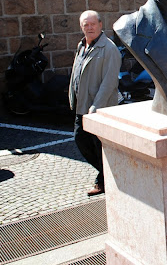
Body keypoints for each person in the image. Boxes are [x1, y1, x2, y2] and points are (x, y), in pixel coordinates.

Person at [69, 10, 121, 196]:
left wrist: (95, 107)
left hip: (98, 109)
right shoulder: (81, 46)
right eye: (86, 25)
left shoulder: (109, 49)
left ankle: (106, 178)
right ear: (81, 27)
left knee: (98, 146)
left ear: (100, 25)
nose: (89, 27)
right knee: (81, 140)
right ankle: (108, 174)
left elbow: (109, 83)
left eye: (92, 24)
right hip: (81, 107)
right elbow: (76, 73)